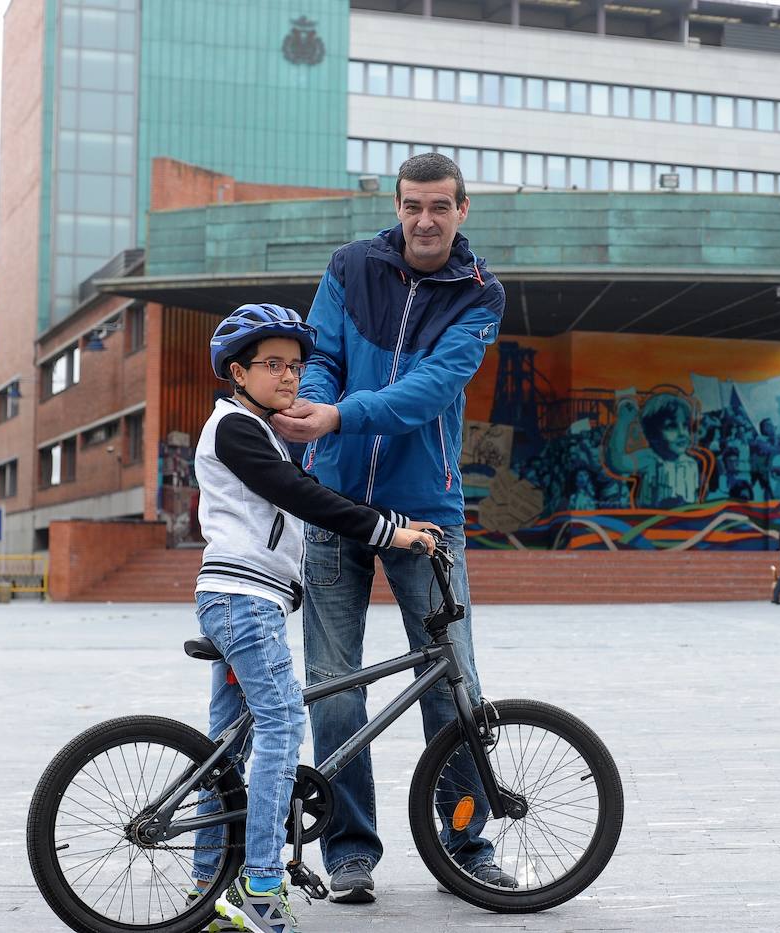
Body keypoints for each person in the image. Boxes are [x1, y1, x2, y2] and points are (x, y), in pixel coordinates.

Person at [270, 153, 512, 903]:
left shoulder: (480, 297)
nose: (425, 220)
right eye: (413, 205)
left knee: (452, 687)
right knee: (335, 686)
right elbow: (323, 358)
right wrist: (316, 409)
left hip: (426, 517)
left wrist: (339, 413)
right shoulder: (349, 266)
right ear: (397, 204)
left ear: (463, 210)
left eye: (440, 207)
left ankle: (466, 840)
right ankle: (350, 851)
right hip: (336, 507)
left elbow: (427, 391)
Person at [191, 304, 439, 931]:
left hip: (244, 600)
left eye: (296, 366)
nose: (289, 377)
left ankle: (208, 883)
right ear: (237, 372)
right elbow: (302, 497)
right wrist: (391, 532)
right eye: (272, 365)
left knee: (228, 745)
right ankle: (261, 887)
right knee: (281, 728)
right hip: (245, 605)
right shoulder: (235, 429)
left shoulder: (259, 430)